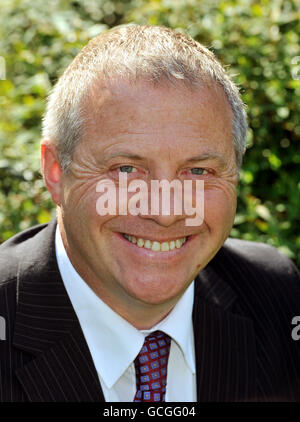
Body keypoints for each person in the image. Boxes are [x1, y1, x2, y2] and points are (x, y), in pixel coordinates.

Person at [0, 24, 300, 402]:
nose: (165, 211)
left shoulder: (278, 297)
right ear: (56, 171)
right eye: (126, 169)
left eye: (198, 171)